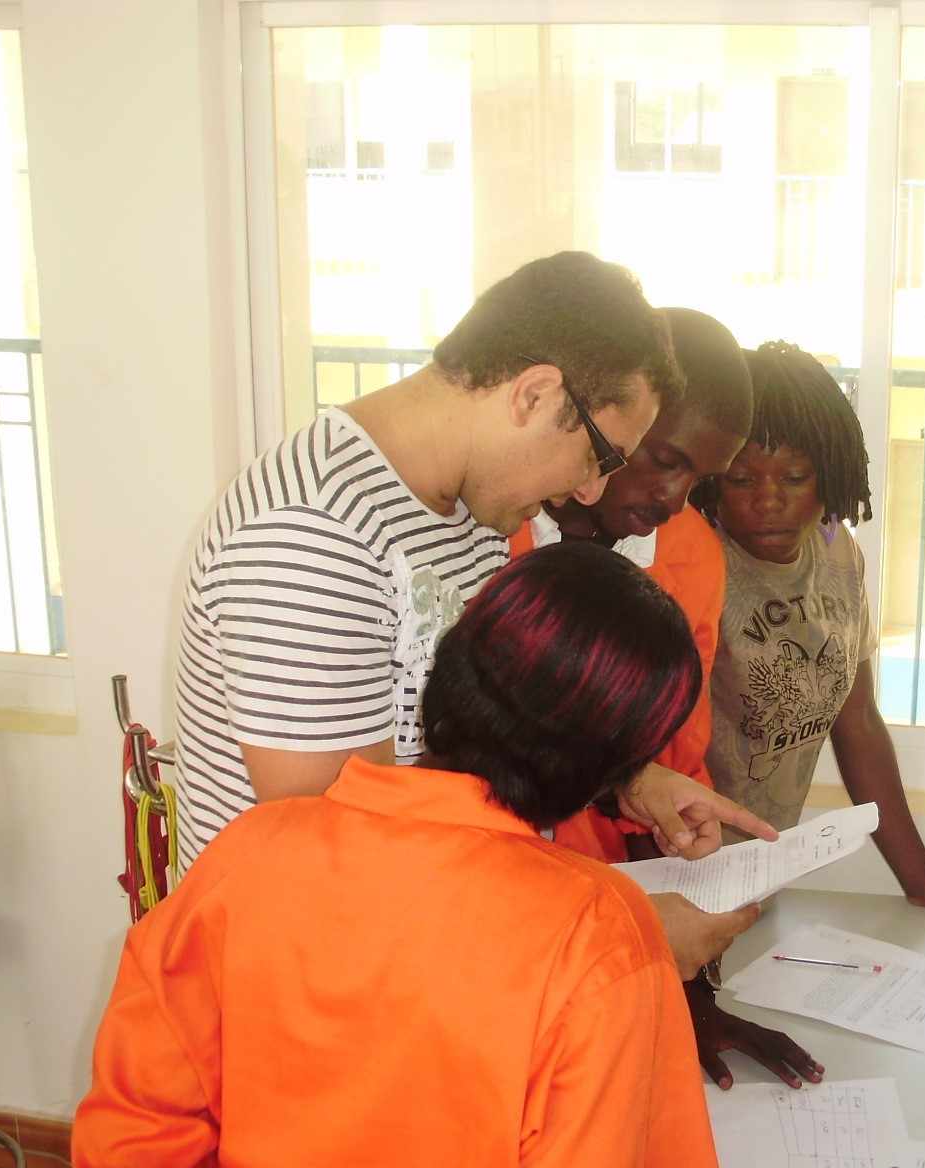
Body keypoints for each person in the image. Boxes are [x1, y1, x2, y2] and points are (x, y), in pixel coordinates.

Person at [172, 252, 773, 977]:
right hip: (301, 991)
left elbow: (485, 742)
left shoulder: (466, 510)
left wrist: (629, 779)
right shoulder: (311, 534)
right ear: (534, 394)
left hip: (415, 957)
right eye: (598, 456)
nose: (588, 492)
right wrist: (612, 929)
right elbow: (339, 849)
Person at [74, 543, 721, 1168]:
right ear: (610, 772)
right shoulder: (602, 935)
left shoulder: (246, 857)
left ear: (445, 670)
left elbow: (131, 1151)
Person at [510, 313, 826, 1094]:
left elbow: (672, 785)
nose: (676, 496)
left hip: (616, 938)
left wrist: (683, 991)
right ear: (613, 419)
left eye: (699, 480)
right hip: (505, 942)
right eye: (663, 461)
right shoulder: (497, 537)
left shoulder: (688, 554)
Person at [698, 341, 925, 906]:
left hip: (757, 875)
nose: (769, 500)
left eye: (795, 477)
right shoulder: (692, 565)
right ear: (712, 477)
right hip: (679, 872)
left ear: (831, 475)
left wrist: (922, 881)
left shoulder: (838, 551)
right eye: (742, 480)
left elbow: (857, 719)